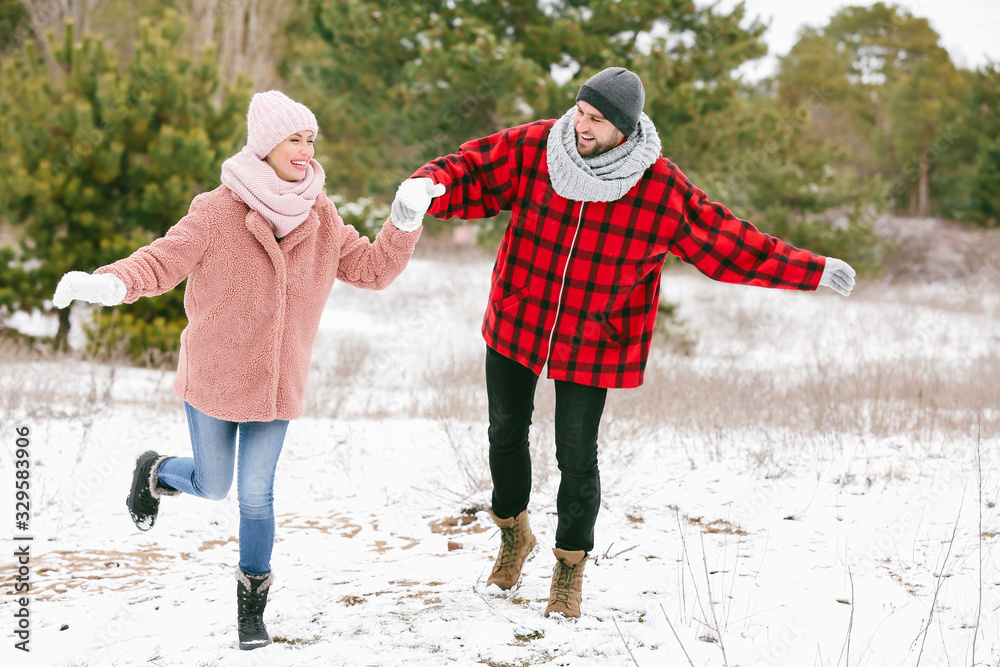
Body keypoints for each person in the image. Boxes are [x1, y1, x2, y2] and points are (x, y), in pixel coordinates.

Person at [393, 67, 856, 619]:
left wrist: (812, 269)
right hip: (521, 316)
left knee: (576, 457)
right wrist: (427, 186)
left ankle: (569, 567)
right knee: (504, 432)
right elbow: (471, 169)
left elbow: (731, 243)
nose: (580, 125)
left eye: (595, 120)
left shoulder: (659, 187)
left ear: (624, 129)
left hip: (596, 338)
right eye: (580, 112)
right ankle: (514, 533)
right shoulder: (538, 147)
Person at [52, 91, 442, 650]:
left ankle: (251, 609)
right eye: (294, 139)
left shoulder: (321, 215)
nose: (306, 150)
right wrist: (109, 283)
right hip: (213, 377)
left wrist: (404, 218)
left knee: (255, 495)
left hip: (276, 388)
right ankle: (158, 471)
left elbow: (372, 269)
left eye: (311, 139)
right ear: (265, 147)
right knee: (214, 486)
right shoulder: (217, 210)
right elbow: (162, 260)